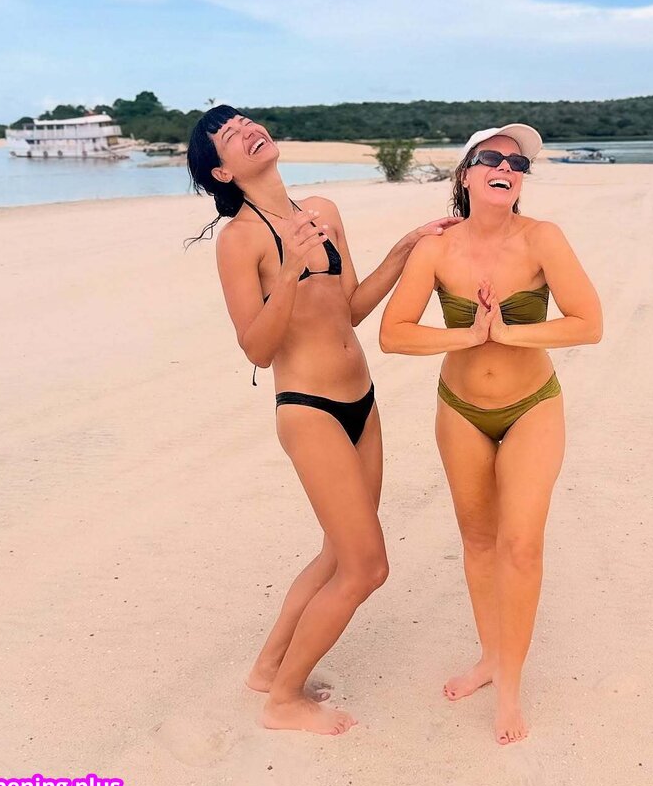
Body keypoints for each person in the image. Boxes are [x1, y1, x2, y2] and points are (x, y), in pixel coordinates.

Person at [186, 105, 459, 736]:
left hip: (361, 400)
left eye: (247, 122)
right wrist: (287, 273)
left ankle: (267, 668)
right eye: (230, 136)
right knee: (367, 567)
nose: (248, 131)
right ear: (223, 172)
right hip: (309, 409)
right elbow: (256, 348)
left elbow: (351, 307)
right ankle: (284, 701)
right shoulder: (239, 240)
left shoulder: (322, 211)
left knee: (340, 552)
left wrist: (407, 246)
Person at [379, 123, 603, 744]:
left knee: (521, 545)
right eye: (491, 158)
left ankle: (511, 687)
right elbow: (393, 333)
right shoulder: (437, 250)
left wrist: (508, 333)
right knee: (478, 542)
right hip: (461, 411)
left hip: (532, 406)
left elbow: (589, 323)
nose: (506, 167)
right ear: (465, 175)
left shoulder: (542, 239)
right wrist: (467, 335)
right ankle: (490, 658)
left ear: (521, 182)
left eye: (517, 163)